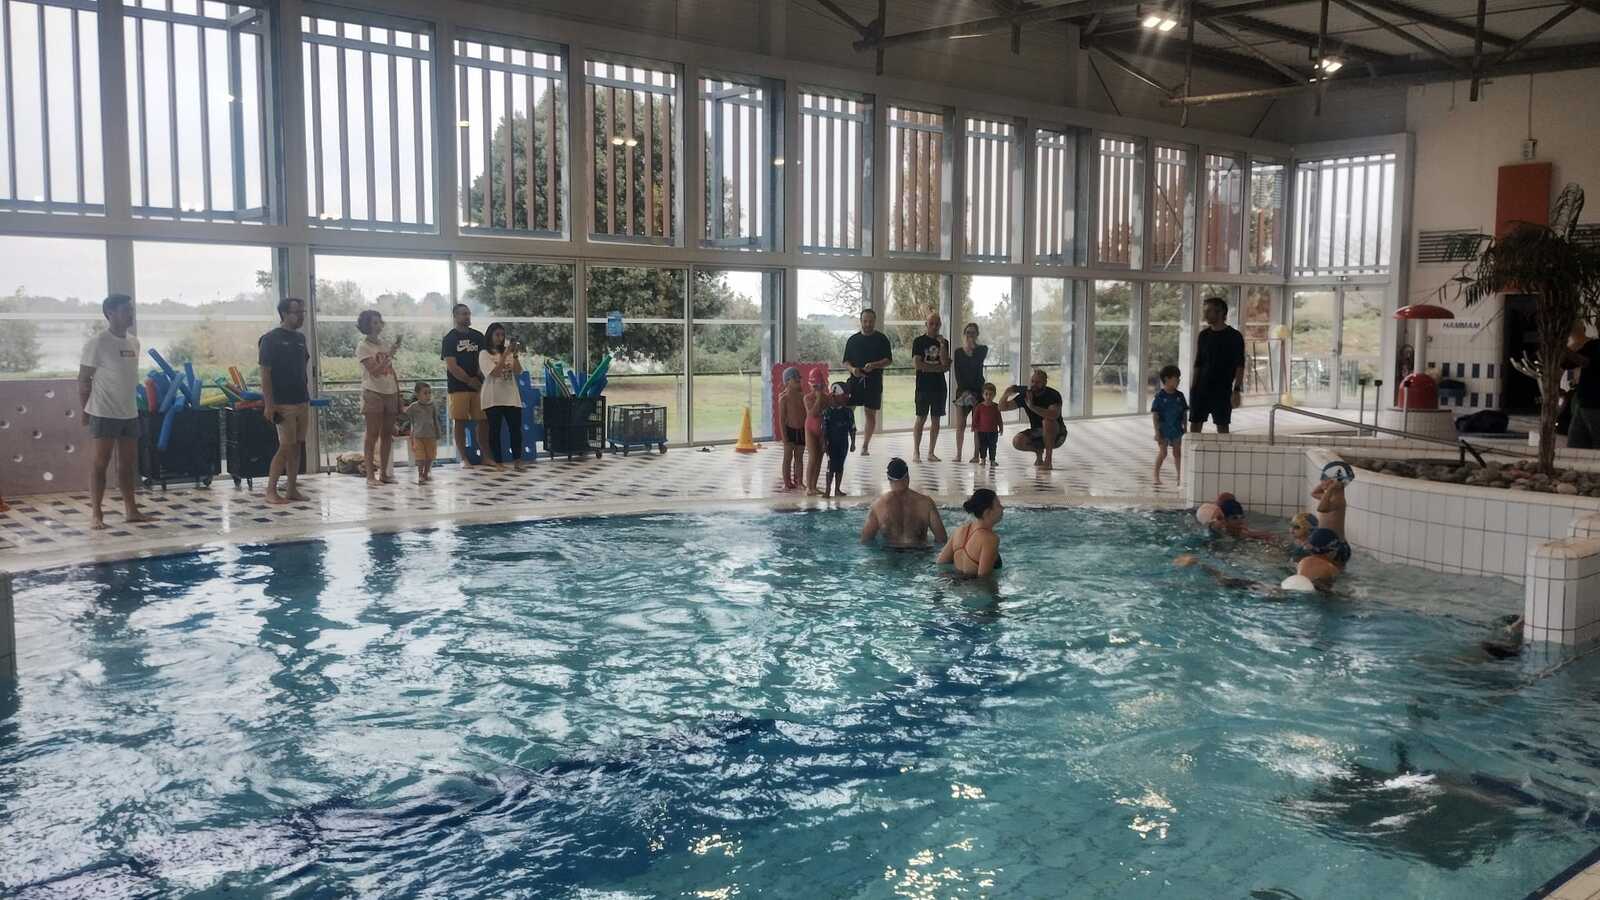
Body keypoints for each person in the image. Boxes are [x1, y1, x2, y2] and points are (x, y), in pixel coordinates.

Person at [77, 294, 153, 530]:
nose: (131, 314)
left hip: (129, 412)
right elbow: (84, 379)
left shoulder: (134, 342)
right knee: (101, 463)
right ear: (110, 313)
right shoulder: (98, 343)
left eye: (131, 310)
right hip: (103, 411)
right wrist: (85, 410)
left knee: (128, 464)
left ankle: (131, 510)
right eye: (126, 310)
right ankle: (96, 514)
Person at [259, 297, 311, 505]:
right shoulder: (270, 339)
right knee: (286, 446)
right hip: (283, 402)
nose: (301, 316)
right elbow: (265, 374)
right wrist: (269, 404)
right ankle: (271, 490)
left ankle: (291, 489)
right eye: (297, 313)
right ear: (284, 314)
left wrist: (306, 395)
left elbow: (302, 369)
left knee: (297, 446)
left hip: (301, 400)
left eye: (302, 312)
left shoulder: (300, 339)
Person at [355, 309, 401, 486]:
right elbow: (374, 370)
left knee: (387, 434)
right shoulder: (363, 346)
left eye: (379, 322)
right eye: (374, 322)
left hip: (390, 391)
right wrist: (389, 355)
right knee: (372, 434)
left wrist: (398, 394)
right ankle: (370, 476)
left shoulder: (383, 344)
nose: (378, 325)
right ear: (366, 325)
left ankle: (384, 473)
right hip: (373, 392)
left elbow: (391, 371)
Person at [860, 457, 948, 548]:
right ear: (907, 476)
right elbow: (942, 540)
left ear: (889, 479)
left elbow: (865, 540)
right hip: (919, 553)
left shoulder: (878, 505)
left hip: (889, 554)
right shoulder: (926, 503)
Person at [1188, 295, 1245, 434]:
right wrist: (1193, 388)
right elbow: (1198, 362)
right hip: (1201, 388)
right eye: (1205, 311)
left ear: (1220, 312)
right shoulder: (1203, 335)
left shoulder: (1234, 336)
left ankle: (1222, 450)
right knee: (1195, 424)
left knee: (1222, 426)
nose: (1205, 315)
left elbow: (1240, 365)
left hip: (1222, 389)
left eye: (1209, 311)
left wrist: (1236, 390)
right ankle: (1194, 449)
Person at [441, 304, 489, 467]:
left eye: (468, 313)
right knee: (460, 422)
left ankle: (485, 456)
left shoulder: (478, 336)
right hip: (458, 387)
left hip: (479, 386)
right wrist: (469, 380)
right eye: (463, 314)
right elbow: (452, 366)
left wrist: (478, 377)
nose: (467, 316)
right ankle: (464, 458)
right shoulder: (449, 339)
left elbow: (483, 360)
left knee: (483, 421)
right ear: (455, 316)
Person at [843, 308, 892, 456]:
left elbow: (888, 360)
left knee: (870, 415)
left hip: (874, 382)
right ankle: (847, 440)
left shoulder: (882, 339)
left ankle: (865, 446)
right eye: (865, 321)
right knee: (847, 412)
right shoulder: (852, 340)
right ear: (861, 321)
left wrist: (874, 365)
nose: (868, 324)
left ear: (874, 321)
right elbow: (845, 362)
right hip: (855, 381)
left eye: (870, 321)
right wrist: (853, 370)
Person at [479, 322, 525, 471]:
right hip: (493, 397)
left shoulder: (509, 353)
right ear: (490, 335)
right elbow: (495, 373)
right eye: (497, 334)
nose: (500, 338)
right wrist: (504, 355)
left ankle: (518, 460)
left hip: (511, 396)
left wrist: (515, 355)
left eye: (502, 335)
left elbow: (518, 371)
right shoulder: (484, 354)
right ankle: (498, 461)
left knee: (515, 429)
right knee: (495, 430)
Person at [1000, 369, 1066, 468]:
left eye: (1038, 382)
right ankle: (1038, 451)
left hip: (1057, 434)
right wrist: (1006, 394)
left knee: (1047, 421)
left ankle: (1048, 460)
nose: (1034, 384)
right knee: (1017, 441)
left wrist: (1032, 407)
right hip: (1037, 431)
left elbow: (1053, 415)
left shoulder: (1053, 395)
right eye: (1032, 381)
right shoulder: (1026, 395)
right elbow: (1002, 407)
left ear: (1045, 382)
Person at [911, 312, 950, 462]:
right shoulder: (919, 341)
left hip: (939, 387)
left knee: (936, 420)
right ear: (926, 324)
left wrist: (942, 345)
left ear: (940, 325)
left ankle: (931, 452)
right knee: (921, 418)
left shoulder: (944, 342)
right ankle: (916, 452)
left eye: (937, 324)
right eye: (931, 323)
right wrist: (937, 368)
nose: (934, 326)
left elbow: (945, 365)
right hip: (923, 386)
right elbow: (917, 364)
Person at [938, 488, 1004, 576]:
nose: (1002, 508)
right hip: (975, 584)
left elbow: (941, 562)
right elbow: (984, 578)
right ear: (987, 512)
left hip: (956, 582)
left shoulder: (960, 530)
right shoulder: (990, 539)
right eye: (998, 505)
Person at [951, 323, 988, 463]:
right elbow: (958, 373)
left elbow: (976, 363)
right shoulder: (958, 352)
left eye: (973, 333)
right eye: (968, 332)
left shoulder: (982, 350)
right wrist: (965, 392)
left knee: (977, 425)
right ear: (964, 334)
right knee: (960, 424)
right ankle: (958, 454)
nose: (970, 335)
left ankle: (976, 455)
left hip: (978, 390)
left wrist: (972, 346)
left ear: (977, 334)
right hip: (963, 391)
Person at [1151, 364, 1188, 486]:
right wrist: (1157, 432)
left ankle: (1179, 477)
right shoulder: (1160, 396)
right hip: (1163, 430)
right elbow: (1155, 415)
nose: (1179, 380)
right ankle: (1156, 476)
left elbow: (1184, 413)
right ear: (1167, 379)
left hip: (1177, 429)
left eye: (1179, 378)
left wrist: (1185, 428)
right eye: (1176, 378)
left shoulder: (1180, 396)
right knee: (1163, 453)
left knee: (1177, 453)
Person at [1566, 319, 1600, 449]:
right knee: (1576, 443)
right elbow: (1569, 364)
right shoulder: (1592, 344)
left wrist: (1564, 349)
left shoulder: (1594, 346)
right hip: (1583, 404)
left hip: (1595, 405)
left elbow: (1585, 361)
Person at [1312, 461, 1353, 562]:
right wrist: (1327, 485)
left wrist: (1330, 488)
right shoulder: (1329, 498)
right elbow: (1314, 493)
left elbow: (1321, 508)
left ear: (1334, 481)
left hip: (1336, 547)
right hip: (1329, 543)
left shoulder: (1338, 500)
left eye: (1324, 478)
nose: (1321, 481)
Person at [822, 382, 857, 498]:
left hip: (843, 443)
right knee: (831, 466)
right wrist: (824, 443)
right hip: (831, 443)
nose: (846, 398)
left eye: (847, 396)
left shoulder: (848, 412)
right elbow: (824, 430)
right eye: (844, 396)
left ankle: (837, 489)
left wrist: (853, 443)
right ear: (835, 396)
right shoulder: (828, 412)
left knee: (840, 466)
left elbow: (852, 428)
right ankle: (827, 490)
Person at [405, 381, 439, 484]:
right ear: (417, 395)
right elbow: (405, 415)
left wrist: (438, 432)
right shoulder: (413, 407)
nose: (428, 395)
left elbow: (435, 419)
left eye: (429, 393)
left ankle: (426, 473)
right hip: (418, 436)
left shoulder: (432, 406)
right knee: (420, 457)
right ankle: (420, 474)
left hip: (431, 436)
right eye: (425, 393)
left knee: (430, 456)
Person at [779, 367, 807, 490]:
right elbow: (781, 419)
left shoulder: (802, 396)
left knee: (799, 458)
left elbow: (806, 415)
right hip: (789, 431)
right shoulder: (784, 398)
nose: (798, 381)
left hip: (801, 431)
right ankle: (787, 482)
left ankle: (799, 481)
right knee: (787, 458)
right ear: (787, 381)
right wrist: (784, 436)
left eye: (798, 378)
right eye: (795, 379)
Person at [803, 369, 828, 496]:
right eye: (815, 386)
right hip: (810, 430)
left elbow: (828, 416)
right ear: (810, 385)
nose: (817, 389)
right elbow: (813, 413)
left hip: (822, 431)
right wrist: (818, 399)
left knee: (819, 459)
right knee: (813, 458)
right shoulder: (807, 398)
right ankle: (808, 487)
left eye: (820, 386)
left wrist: (825, 437)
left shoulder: (827, 398)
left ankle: (814, 486)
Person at [971, 383, 1003, 466]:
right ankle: (983, 459)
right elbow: (975, 418)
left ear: (994, 395)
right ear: (983, 395)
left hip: (993, 432)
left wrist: (1001, 428)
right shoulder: (979, 406)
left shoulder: (996, 406)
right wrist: (973, 426)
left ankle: (992, 460)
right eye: (986, 394)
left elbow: (999, 419)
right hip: (982, 431)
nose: (988, 396)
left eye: (991, 394)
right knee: (982, 446)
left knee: (993, 446)